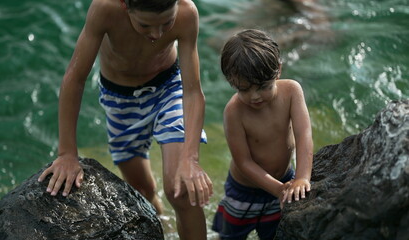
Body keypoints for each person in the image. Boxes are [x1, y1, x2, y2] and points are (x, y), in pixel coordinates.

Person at [37, 0, 213, 239]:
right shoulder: (104, 9)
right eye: (145, 25)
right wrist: (67, 153)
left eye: (166, 23)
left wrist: (190, 158)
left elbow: (193, 92)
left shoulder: (186, 12)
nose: (157, 34)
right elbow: (74, 78)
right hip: (120, 101)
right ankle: (164, 230)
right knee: (142, 190)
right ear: (124, 5)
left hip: (168, 89)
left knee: (180, 189)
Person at [211, 29, 313, 240]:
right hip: (244, 192)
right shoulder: (234, 111)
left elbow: (304, 135)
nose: (254, 96)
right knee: (231, 236)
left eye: (263, 87)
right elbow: (244, 162)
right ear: (232, 82)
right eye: (244, 90)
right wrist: (277, 190)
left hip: (285, 179)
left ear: (278, 71)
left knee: (275, 235)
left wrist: (302, 178)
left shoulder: (292, 92)